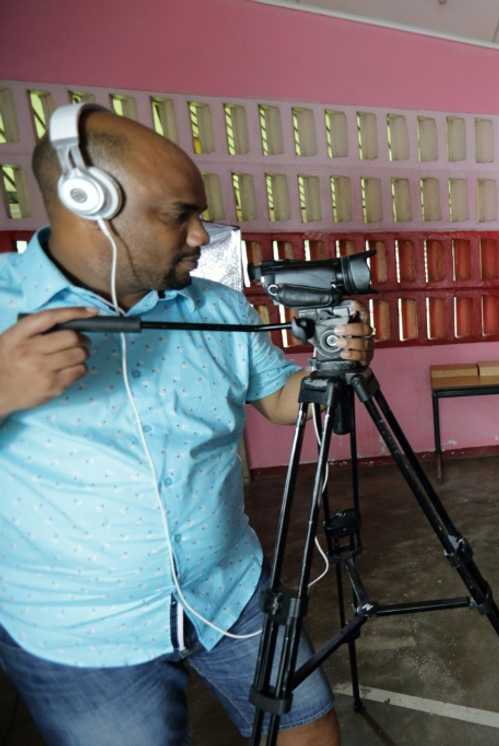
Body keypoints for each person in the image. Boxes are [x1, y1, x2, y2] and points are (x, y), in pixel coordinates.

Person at [0, 105, 373, 744]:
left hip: (231, 592)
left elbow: (282, 400)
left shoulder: (218, 309)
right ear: (88, 204)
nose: (202, 236)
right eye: (180, 215)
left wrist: (332, 366)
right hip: (82, 633)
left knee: (309, 730)